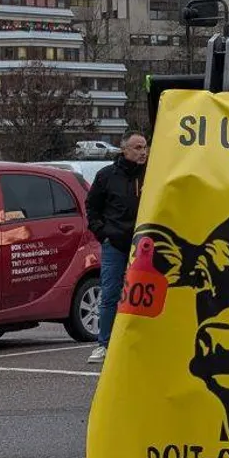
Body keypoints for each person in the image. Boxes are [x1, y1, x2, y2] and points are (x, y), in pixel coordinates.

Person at [84, 131, 148, 363]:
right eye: (137, 148)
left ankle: (141, 342)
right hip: (116, 244)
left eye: (145, 147)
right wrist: (104, 234)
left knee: (145, 293)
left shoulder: (152, 174)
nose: (142, 152)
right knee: (110, 293)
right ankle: (105, 344)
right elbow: (92, 207)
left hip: (144, 244)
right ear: (125, 150)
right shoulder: (106, 176)